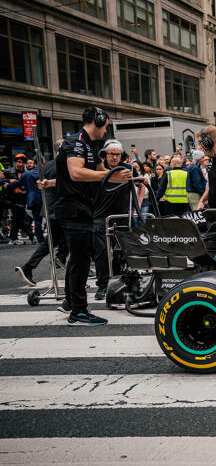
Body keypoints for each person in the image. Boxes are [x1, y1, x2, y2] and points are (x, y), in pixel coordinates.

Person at [55, 106, 130, 325]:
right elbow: (76, 173)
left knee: (78, 259)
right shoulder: (76, 142)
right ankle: (78, 310)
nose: (106, 131)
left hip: (81, 207)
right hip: (73, 208)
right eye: (105, 125)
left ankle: (71, 302)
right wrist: (110, 175)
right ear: (97, 121)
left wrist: (116, 174)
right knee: (80, 260)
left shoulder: (89, 144)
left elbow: (98, 172)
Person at [92, 140, 145, 301]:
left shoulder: (128, 168)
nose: (114, 157)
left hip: (122, 217)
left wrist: (137, 209)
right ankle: (102, 285)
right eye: (111, 154)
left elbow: (141, 185)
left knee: (120, 252)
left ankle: (116, 280)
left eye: (117, 154)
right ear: (105, 155)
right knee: (100, 253)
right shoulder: (99, 170)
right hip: (100, 216)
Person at [15, 140, 68, 288]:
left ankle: (29, 267)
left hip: (51, 210)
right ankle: (63, 259)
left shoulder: (48, 165)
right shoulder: (63, 165)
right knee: (74, 237)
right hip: (61, 210)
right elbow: (65, 184)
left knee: (50, 242)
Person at [2, 153, 31, 243]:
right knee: (18, 217)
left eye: (22, 162)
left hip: (23, 198)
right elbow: (2, 181)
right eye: (19, 162)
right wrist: (9, 181)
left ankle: (13, 237)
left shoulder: (25, 173)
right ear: (15, 162)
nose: (20, 164)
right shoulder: (8, 171)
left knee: (18, 218)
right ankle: (30, 235)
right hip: (11, 199)